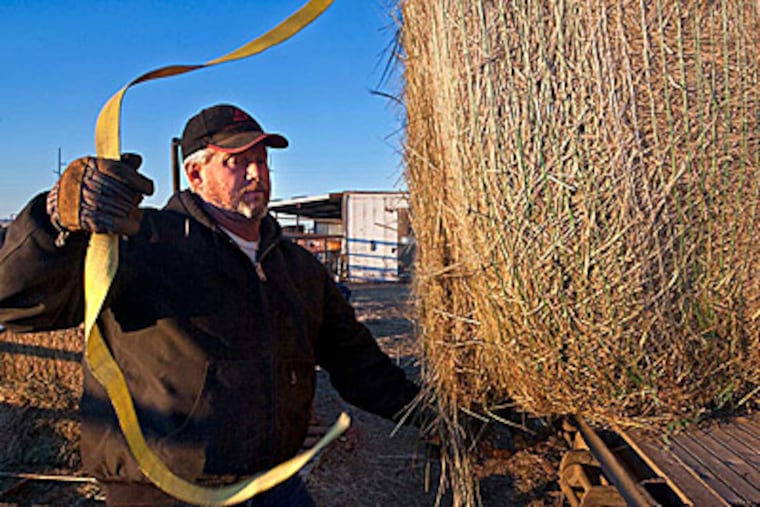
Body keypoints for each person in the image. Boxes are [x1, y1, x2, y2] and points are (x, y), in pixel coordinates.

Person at [0, 104, 420, 507]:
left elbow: (358, 363)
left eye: (261, 159)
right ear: (195, 173)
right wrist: (53, 220)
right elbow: (15, 304)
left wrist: (431, 414)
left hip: (273, 482)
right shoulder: (141, 244)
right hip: (163, 493)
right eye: (236, 161)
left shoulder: (297, 268)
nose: (257, 173)